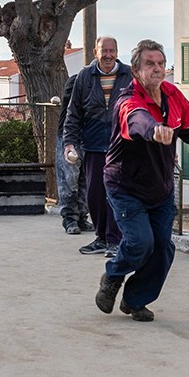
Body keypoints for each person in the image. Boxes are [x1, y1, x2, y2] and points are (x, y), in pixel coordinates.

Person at [95, 39, 189, 322]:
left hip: (161, 189)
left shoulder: (172, 95)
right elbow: (136, 120)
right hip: (125, 187)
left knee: (163, 246)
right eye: (150, 64)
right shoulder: (128, 100)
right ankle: (113, 275)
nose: (157, 69)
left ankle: (134, 300)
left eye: (161, 64)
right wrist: (154, 129)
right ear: (136, 70)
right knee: (141, 242)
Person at [64, 36, 132, 257]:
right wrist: (69, 142)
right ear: (96, 52)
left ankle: (114, 240)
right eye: (104, 51)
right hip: (92, 145)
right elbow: (73, 113)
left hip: (121, 145)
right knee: (94, 193)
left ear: (117, 51)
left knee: (115, 192)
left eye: (112, 50)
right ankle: (101, 238)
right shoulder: (84, 76)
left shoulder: (130, 75)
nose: (108, 55)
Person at [55, 73, 92, 235]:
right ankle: (69, 218)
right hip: (70, 138)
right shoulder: (75, 82)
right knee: (69, 180)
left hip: (89, 138)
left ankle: (82, 217)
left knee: (85, 180)